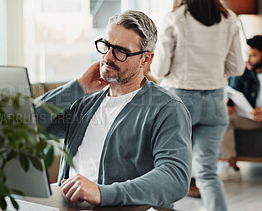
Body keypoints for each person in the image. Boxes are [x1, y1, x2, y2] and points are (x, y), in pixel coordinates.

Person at [36, 10, 192, 209]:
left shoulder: (167, 108)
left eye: (120, 51)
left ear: (145, 60)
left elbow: (175, 177)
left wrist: (103, 193)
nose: (108, 57)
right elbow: (27, 124)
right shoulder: (86, 102)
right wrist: (78, 87)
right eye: (107, 45)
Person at [150, 0, 244, 210]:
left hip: (180, 100)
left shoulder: (175, 18)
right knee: (208, 173)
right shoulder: (229, 19)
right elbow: (236, 67)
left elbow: (160, 69)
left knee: (169, 169)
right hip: (215, 101)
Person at [220, 35, 262, 189]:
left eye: (253, 55)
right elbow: (233, 93)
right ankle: (232, 168)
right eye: (248, 55)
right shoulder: (243, 70)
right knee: (224, 116)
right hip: (250, 117)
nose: (249, 59)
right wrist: (229, 105)